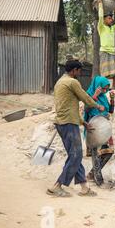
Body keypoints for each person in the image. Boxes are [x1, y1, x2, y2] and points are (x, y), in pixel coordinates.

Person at [47, 60, 105, 197]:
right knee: (76, 155)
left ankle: (84, 187)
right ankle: (57, 185)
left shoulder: (60, 82)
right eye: (79, 71)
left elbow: (68, 106)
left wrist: (83, 122)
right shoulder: (73, 82)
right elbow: (85, 97)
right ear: (74, 70)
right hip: (68, 123)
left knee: (75, 156)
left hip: (63, 122)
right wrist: (98, 106)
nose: (79, 73)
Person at [83, 76, 115, 190]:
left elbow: (110, 111)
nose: (105, 91)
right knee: (96, 154)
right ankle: (99, 181)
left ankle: (92, 174)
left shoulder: (103, 96)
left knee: (108, 152)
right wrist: (95, 96)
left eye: (106, 89)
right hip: (94, 128)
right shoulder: (89, 95)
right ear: (97, 86)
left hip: (104, 128)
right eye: (103, 88)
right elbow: (86, 109)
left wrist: (112, 99)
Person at [98, 0, 115, 89]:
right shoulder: (101, 27)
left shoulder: (112, 28)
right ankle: (102, 89)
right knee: (104, 73)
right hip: (104, 52)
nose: (111, 20)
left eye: (111, 18)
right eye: (109, 18)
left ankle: (113, 88)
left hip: (112, 52)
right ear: (104, 19)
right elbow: (100, 18)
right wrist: (100, 6)